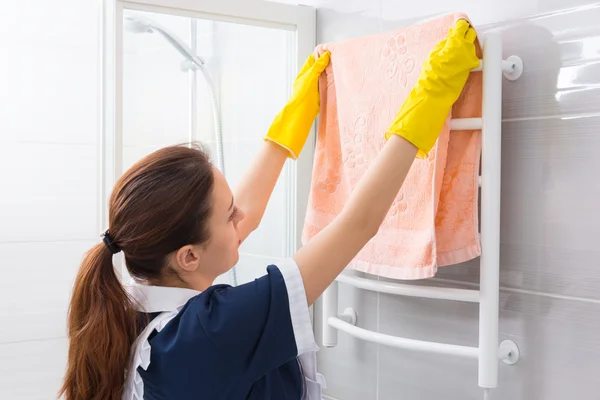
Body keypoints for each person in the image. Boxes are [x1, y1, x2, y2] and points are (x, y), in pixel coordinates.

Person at [59, 19, 479, 400]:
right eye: (229, 217)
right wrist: (430, 97)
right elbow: (358, 223)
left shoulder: (139, 299)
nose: (240, 219)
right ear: (188, 256)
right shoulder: (212, 331)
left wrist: (293, 120)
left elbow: (244, 210)